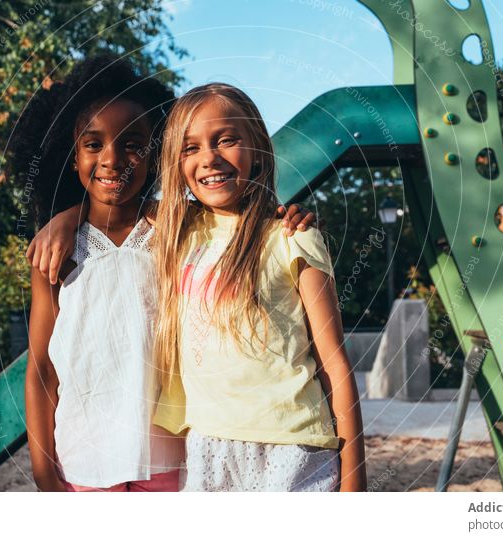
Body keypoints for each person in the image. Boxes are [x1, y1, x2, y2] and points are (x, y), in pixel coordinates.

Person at [152, 83, 367, 491]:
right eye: (190, 147)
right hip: (208, 445)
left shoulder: (293, 237)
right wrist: (61, 219)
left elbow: (334, 365)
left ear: (257, 148)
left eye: (226, 140)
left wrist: (355, 481)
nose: (209, 158)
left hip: (294, 448)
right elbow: (108, 204)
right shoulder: (176, 231)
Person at [11, 54, 184, 491]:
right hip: (83, 465)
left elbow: (238, 227)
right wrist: (43, 471)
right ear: (72, 157)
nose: (112, 158)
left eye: (132, 143)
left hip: (171, 462)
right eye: (93, 144)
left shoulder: (176, 230)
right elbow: (41, 371)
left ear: (154, 152)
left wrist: (286, 217)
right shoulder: (55, 253)